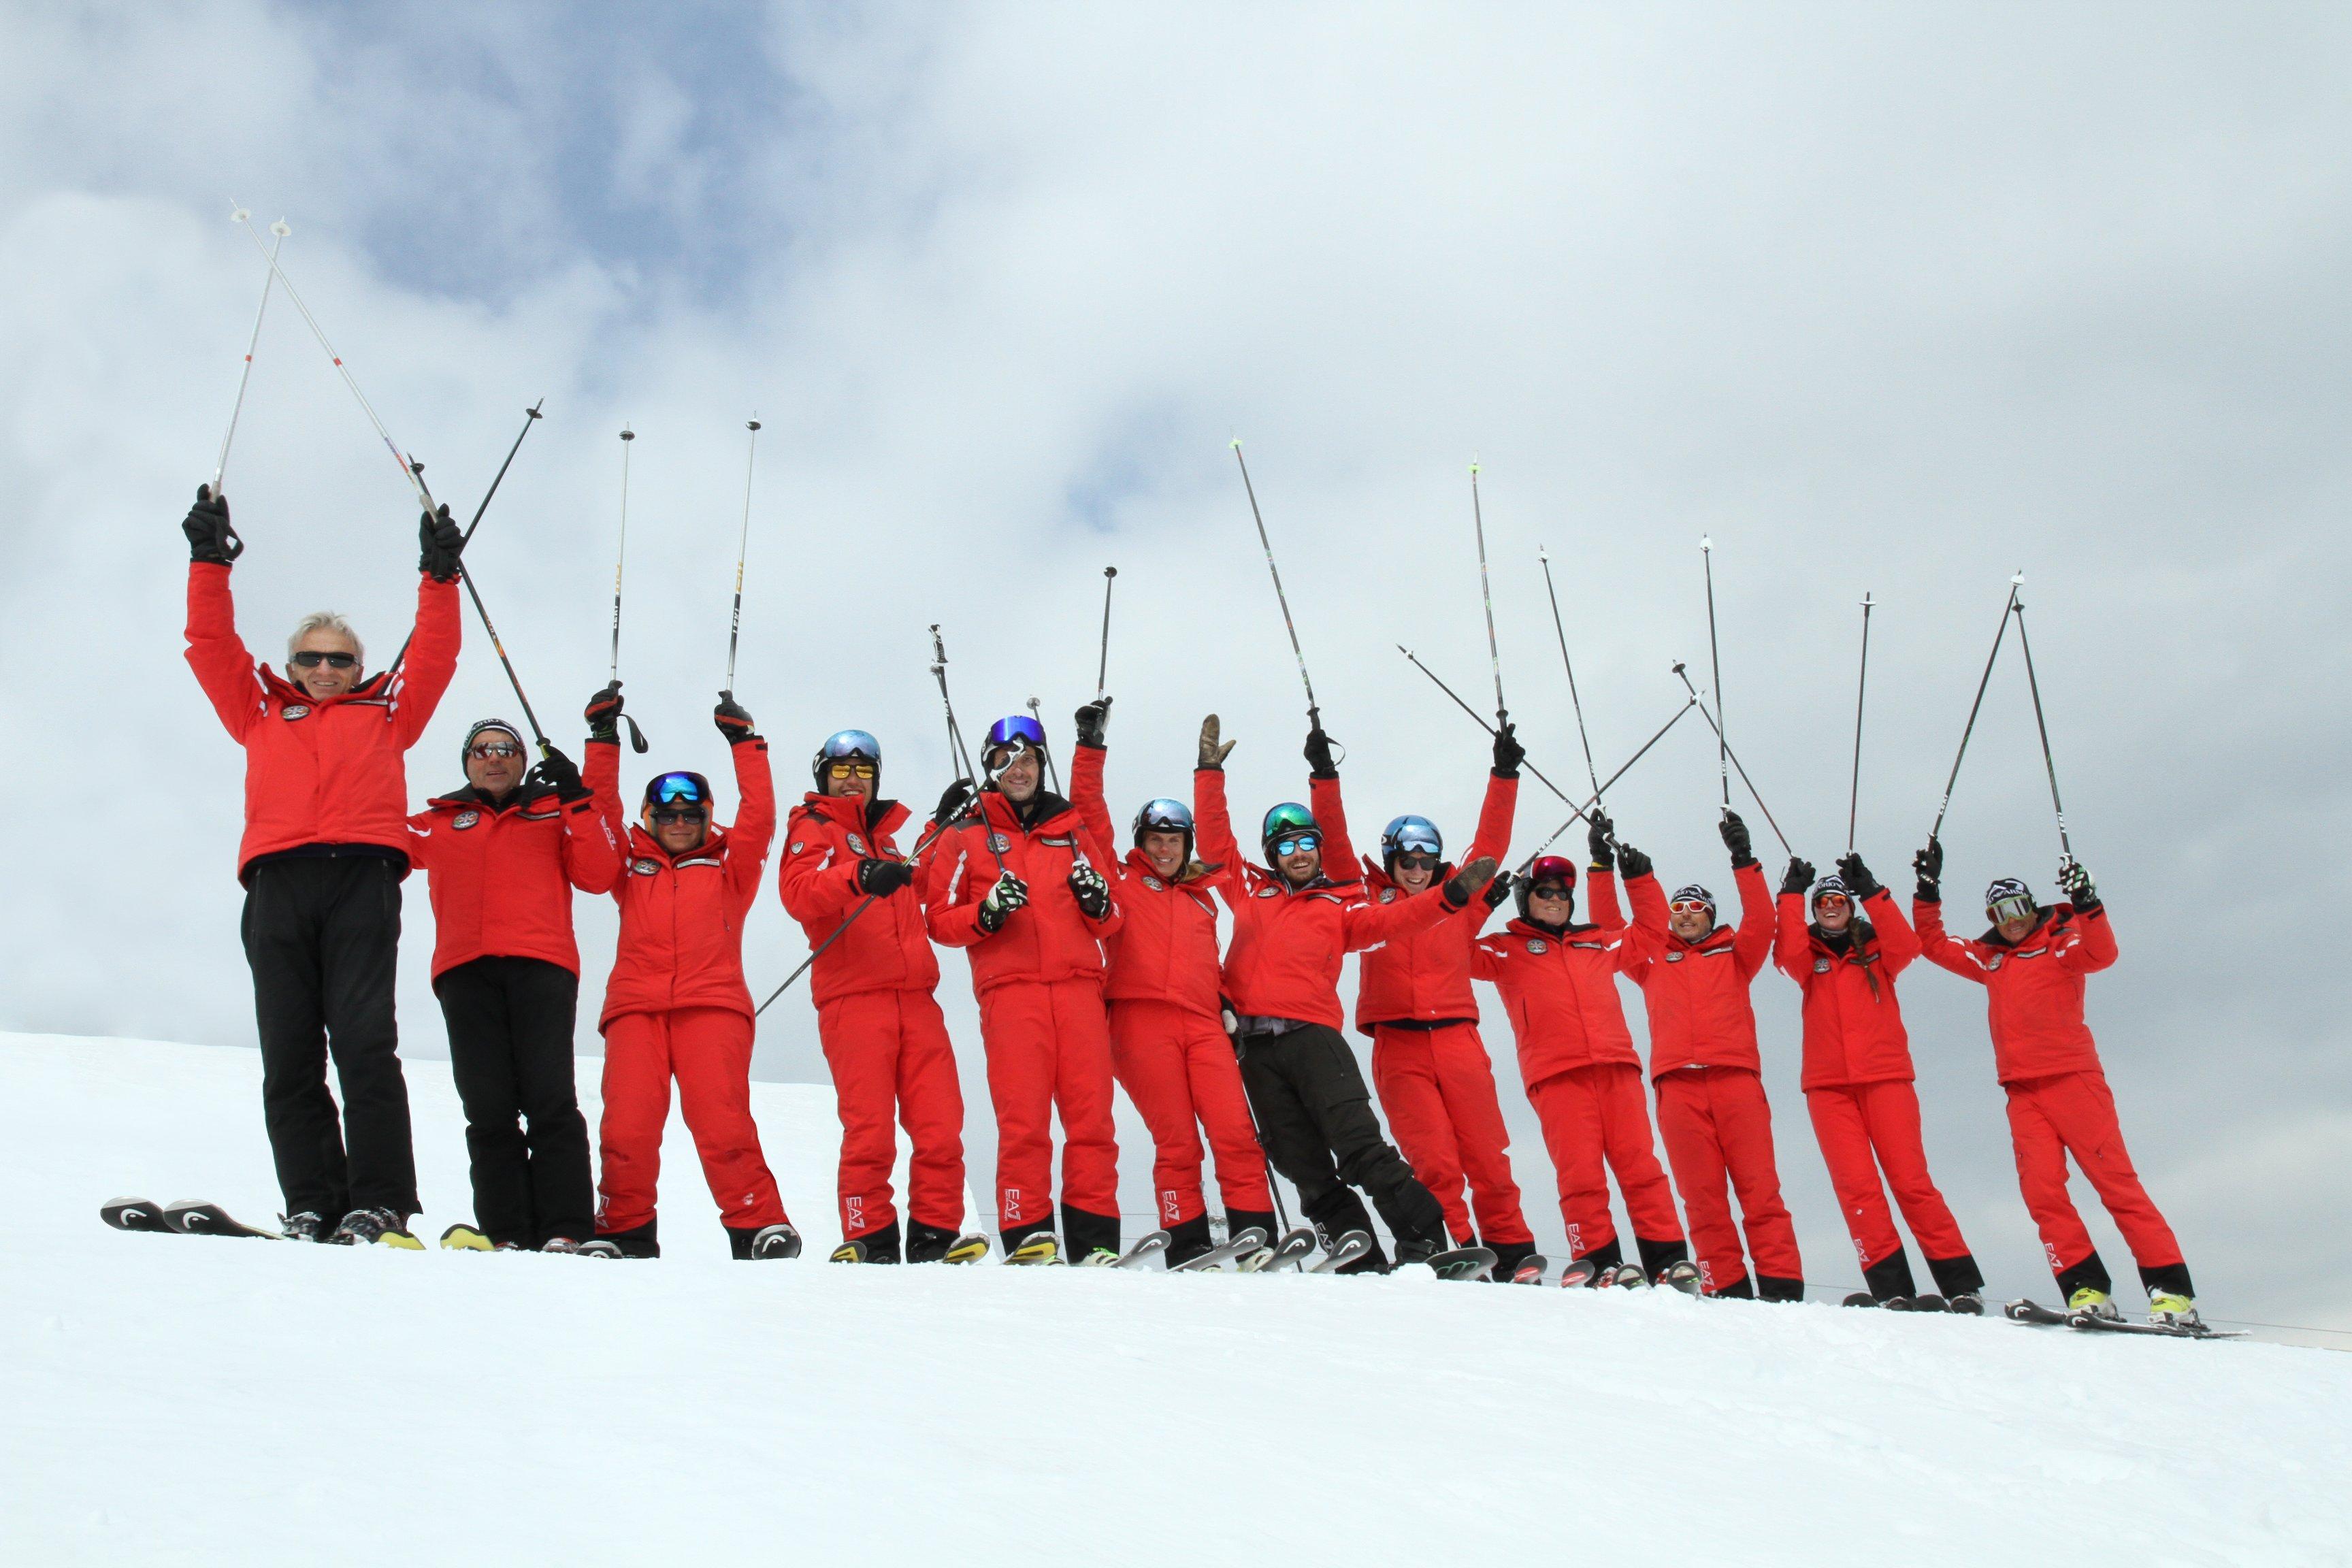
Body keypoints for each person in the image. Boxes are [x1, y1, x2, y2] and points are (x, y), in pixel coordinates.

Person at [182, 485, 464, 1247]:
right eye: (311, 658)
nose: (326, 669)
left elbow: (436, 654)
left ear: (360, 666)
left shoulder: (389, 713)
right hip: (277, 882)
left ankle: (381, 1202)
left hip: (361, 880)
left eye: (341, 659)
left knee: (364, 1041)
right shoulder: (259, 710)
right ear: (291, 663)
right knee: (290, 1051)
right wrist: (209, 563)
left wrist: (438, 577)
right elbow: (211, 647)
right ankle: (312, 1201)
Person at [1193, 715, 1497, 1273]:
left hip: (1314, 1041)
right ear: (1273, 853)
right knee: (1295, 1157)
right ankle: (1355, 1249)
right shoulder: (1250, 890)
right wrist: (1209, 774)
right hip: (1254, 1049)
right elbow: (1215, 844)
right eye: (1288, 845)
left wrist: (1451, 896)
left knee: (1357, 1147)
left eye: (1309, 842)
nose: (1302, 852)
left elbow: (1400, 920)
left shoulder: (1342, 906)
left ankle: (1426, 1238)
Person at [1912, 845, 2198, 1326]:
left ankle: (2172, 1293)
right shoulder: (1990, 959)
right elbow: (1934, 943)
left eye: (2019, 908)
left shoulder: (2061, 943)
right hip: (2023, 1092)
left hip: (2073, 1082)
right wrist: (1927, 892)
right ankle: (2086, 1287)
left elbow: (2102, 953)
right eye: (2001, 913)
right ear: (1992, 918)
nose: (2012, 920)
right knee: (2042, 1191)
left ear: (2033, 907)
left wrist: (2087, 903)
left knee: (2116, 1186)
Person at [587, 694, 797, 1260]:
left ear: (706, 818)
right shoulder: (629, 869)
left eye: (691, 815)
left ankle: (759, 1226)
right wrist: (602, 740)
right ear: (651, 820)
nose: (679, 824)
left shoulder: (731, 869)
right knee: (626, 1128)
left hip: (712, 1006)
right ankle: (623, 1229)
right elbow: (599, 815)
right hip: (636, 1009)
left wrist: (745, 743)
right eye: (667, 816)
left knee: (722, 1123)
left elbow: (760, 815)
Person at [1068, 698, 1275, 1268]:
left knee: (1236, 1132)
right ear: (1142, 842)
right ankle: (1189, 1241)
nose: (1164, 849)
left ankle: (1256, 1236)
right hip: (1140, 1021)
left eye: (1174, 840)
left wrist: (1227, 1000)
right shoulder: (1122, 881)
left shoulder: (1204, 902)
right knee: (1179, 1141)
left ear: (1186, 846)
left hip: (1204, 1025)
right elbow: (1086, 814)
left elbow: (1210, 968)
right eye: (1155, 839)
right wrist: (1091, 747)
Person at [406, 708, 623, 1253]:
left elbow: (599, 876)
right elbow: (376, 835)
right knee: (487, 1106)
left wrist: (578, 796)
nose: (494, 759)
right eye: (482, 750)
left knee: (550, 1099)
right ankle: (505, 1234)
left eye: (506, 750)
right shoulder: (438, 820)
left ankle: (568, 1229)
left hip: (541, 964)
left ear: (526, 763)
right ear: (467, 764)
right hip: (464, 970)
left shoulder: (553, 811)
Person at [923, 714, 1124, 1265]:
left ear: (1042, 766)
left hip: (1080, 987)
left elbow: (1112, 918)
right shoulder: (968, 833)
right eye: (1006, 761)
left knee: (1091, 1118)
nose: (1019, 770)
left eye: (1029, 760)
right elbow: (937, 918)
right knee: (1024, 1117)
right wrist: (986, 914)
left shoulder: (1072, 827)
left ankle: (1095, 1235)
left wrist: (1097, 904)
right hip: (1012, 991)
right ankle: (1027, 1228)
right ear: (989, 767)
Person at [777, 729, 979, 1264]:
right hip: (855, 997)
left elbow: (915, 883)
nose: (852, 780)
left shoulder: (886, 841)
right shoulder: (813, 827)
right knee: (869, 1128)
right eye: (841, 770)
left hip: (916, 997)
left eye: (864, 771)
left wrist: (941, 824)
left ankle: (936, 1233)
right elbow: (799, 895)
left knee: (941, 1123)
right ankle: (870, 1236)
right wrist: (857, 874)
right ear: (823, 774)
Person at [1473, 818, 1699, 1289]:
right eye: (1544, 893)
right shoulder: (1505, 949)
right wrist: (1479, 904)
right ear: (1526, 900)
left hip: (1616, 1069)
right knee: (1582, 1176)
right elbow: (1449, 951)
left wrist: (1639, 880)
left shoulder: (1596, 941)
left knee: (1642, 1169)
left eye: (1561, 894)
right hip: (1557, 1078)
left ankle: (1668, 1262)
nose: (1555, 901)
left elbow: (1652, 932)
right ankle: (1599, 1264)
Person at [1353, 724, 1538, 1278]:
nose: (1416, 868)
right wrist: (1324, 774)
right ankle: (1457, 1244)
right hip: (1399, 1043)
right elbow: (1337, 845)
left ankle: (1510, 1248)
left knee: (1486, 1152)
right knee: (1433, 1159)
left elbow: (1490, 847)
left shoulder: (1457, 899)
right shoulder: (1369, 903)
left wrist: (1504, 775)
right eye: (1405, 859)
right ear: (1389, 862)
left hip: (1457, 1037)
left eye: (1426, 858)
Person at [1774, 851, 1984, 1311]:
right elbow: (1786, 954)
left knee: (1911, 1181)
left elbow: (1908, 946)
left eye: (1838, 899)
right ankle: (1891, 1288)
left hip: (1886, 1079)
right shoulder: (1809, 960)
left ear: (1850, 906)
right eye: (1821, 902)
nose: (1830, 906)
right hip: (1828, 1088)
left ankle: (1960, 1285)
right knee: (1857, 1187)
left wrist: (1872, 890)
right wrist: (1790, 895)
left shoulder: (1878, 950)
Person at [1617, 811, 1803, 1300]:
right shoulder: (1651, 960)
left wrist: (1744, 860)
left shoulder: (1737, 954)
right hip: (1677, 1087)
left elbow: (1763, 920)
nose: (1685, 913)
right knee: (1702, 1199)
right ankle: (1728, 1287)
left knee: (1760, 1191)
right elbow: (1617, 930)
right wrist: (1635, 879)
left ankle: (1782, 1286)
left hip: (1735, 1080)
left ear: (1712, 915)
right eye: (1678, 906)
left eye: (1697, 906)